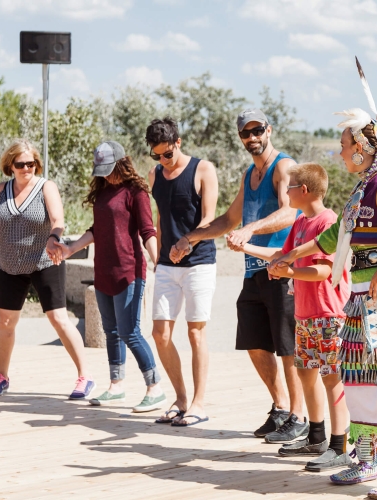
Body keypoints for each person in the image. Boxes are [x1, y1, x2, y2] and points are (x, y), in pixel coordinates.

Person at [269, 99, 377, 496]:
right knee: (360, 381)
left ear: (362, 148)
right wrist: (289, 255)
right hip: (360, 299)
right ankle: (364, 460)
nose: (341, 151)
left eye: (345, 145)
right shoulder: (362, 189)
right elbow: (332, 239)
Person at [168, 108, 306, 440]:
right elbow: (229, 220)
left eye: (258, 130)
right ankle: (281, 409)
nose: (253, 137)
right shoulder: (249, 175)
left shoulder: (282, 167)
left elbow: (291, 211)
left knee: (288, 348)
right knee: (255, 344)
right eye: (246, 133)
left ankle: (300, 418)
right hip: (253, 272)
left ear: (269, 130)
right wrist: (190, 238)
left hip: (280, 269)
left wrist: (252, 229)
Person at [236, 162, 352, 471]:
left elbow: (327, 270)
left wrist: (290, 271)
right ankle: (316, 436)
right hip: (305, 314)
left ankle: (339, 444)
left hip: (328, 315)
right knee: (307, 373)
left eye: (289, 187)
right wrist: (246, 246)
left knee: (332, 378)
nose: (285, 192)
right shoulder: (300, 222)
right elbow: (281, 256)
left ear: (303, 190)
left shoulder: (327, 222)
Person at [55, 141, 166, 411]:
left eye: (108, 169)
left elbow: (147, 231)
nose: (104, 175)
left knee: (130, 332)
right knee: (111, 332)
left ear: (121, 163)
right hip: (103, 271)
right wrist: (70, 248)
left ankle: (155, 387)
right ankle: (116, 386)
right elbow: (96, 229)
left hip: (129, 271)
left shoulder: (136, 191)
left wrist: (157, 262)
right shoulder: (103, 192)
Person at [0, 139, 94, 399]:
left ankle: (85, 376)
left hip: (45, 261)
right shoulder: (1, 190)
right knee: (5, 322)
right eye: (21, 164)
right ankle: (2, 376)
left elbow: (58, 219)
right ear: (10, 165)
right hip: (10, 265)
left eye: (32, 163)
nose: (27, 168)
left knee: (58, 319)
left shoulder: (45, 187)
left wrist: (54, 237)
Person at [146, 117, 219, 426]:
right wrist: (159, 255)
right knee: (160, 334)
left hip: (199, 262)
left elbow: (210, 220)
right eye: (156, 155)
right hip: (166, 264)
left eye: (167, 154)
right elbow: (161, 218)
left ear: (178, 143)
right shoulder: (154, 175)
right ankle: (181, 399)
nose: (162, 160)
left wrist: (186, 243)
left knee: (195, 332)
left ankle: (199, 404)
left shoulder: (204, 169)